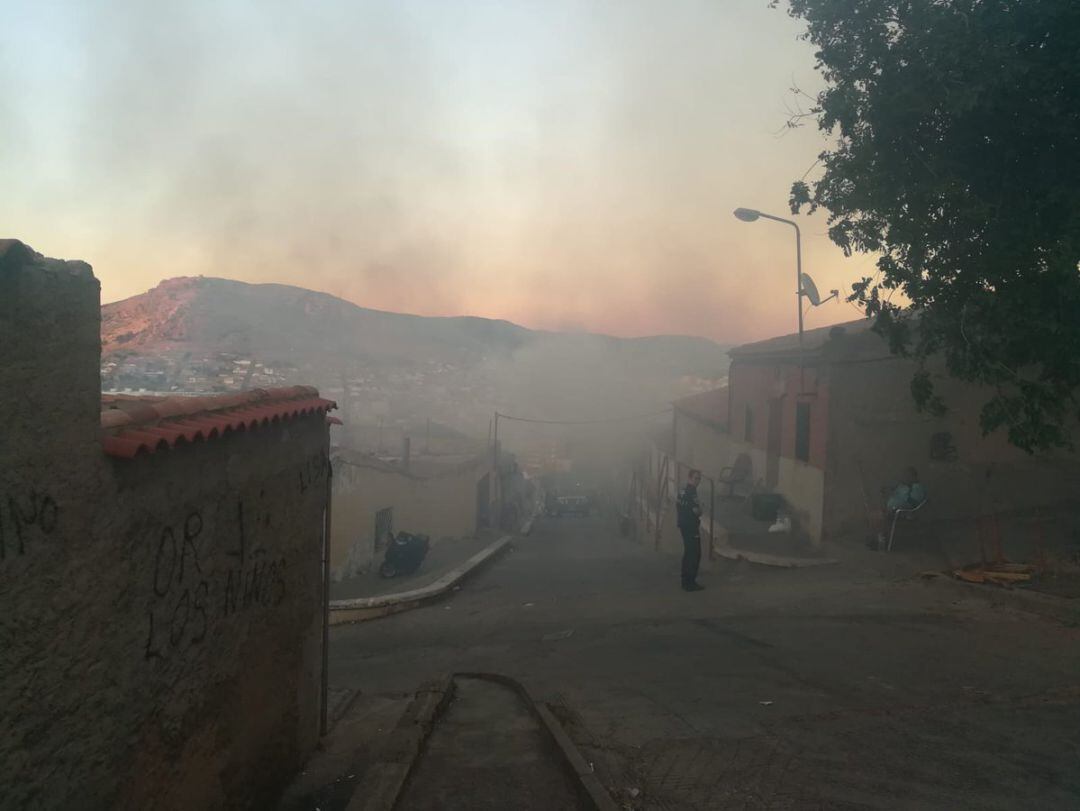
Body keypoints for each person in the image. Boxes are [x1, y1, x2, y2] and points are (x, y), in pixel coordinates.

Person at [877, 466, 927, 547]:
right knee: (875, 515)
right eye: (904, 475)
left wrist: (902, 496)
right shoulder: (903, 486)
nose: (905, 478)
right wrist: (887, 490)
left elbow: (913, 503)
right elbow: (893, 492)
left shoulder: (918, 488)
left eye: (907, 476)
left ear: (913, 477)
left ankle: (882, 542)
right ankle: (881, 539)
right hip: (892, 510)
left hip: (902, 513)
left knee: (877, 516)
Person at [676, 469, 704, 591]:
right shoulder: (692, 492)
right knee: (695, 553)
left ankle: (685, 580)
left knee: (688, 552)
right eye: (696, 478)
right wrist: (701, 509)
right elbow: (696, 511)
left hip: (683, 524)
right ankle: (690, 582)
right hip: (691, 526)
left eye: (699, 479)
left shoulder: (681, 491)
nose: (698, 481)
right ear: (690, 478)